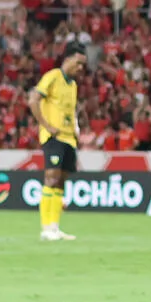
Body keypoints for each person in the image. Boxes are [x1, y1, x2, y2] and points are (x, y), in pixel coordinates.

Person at [31, 42, 88, 242]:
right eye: (79, 63)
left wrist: (76, 130)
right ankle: (45, 228)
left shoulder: (72, 85)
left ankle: (55, 227)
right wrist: (46, 125)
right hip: (54, 137)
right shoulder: (53, 76)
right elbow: (33, 99)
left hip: (68, 138)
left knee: (61, 183)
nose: (81, 68)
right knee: (51, 178)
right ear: (69, 58)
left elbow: (71, 112)